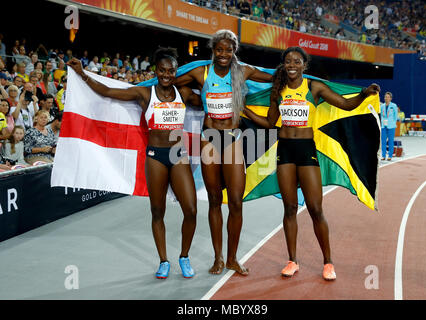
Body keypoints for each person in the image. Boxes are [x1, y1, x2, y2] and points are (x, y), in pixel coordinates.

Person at [243, 46, 380, 280]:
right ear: (284, 65)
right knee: (289, 208)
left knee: (316, 209)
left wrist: (363, 94)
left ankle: (328, 262)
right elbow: (269, 122)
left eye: (297, 62)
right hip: (285, 151)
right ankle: (292, 260)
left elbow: (345, 105)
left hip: (307, 152)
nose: (292, 65)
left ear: (304, 65)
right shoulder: (279, 89)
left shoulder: (314, 87)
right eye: (288, 62)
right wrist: (244, 111)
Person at [67, 48, 202, 279]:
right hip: (155, 157)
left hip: (178, 155)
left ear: (176, 71)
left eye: (171, 71)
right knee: (157, 211)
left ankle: (184, 256)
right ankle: (163, 261)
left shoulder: (185, 93)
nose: (167, 75)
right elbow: (108, 91)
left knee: (190, 210)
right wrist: (83, 74)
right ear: (156, 71)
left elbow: (210, 104)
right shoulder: (144, 93)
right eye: (162, 70)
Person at [175, 29, 273, 276]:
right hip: (209, 139)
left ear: (234, 51)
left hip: (232, 138)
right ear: (213, 50)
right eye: (219, 49)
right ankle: (218, 258)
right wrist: (194, 99)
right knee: (215, 201)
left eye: (228, 50)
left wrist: (300, 74)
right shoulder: (202, 72)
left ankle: (232, 258)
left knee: (237, 203)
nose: (224, 54)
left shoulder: (243, 71)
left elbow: (275, 78)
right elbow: (169, 83)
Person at [380, 92, 398, 161]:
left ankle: (390, 155)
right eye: (385, 97)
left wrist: (393, 122)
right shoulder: (382, 106)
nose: (386, 98)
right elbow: (381, 115)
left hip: (391, 126)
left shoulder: (393, 105)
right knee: (383, 141)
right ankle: (383, 155)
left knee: (390, 141)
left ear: (390, 98)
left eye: (387, 97)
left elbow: (395, 116)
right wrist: (382, 122)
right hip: (383, 125)